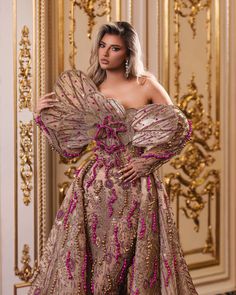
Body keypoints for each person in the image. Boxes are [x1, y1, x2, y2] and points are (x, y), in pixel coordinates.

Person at [28, 21, 198, 295]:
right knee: (94, 262)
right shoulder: (91, 89)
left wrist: (147, 162)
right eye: (102, 45)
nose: (105, 53)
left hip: (136, 188)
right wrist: (42, 117)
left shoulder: (146, 85)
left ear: (129, 53)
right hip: (93, 189)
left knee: (127, 262)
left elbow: (179, 128)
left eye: (115, 48)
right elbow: (71, 150)